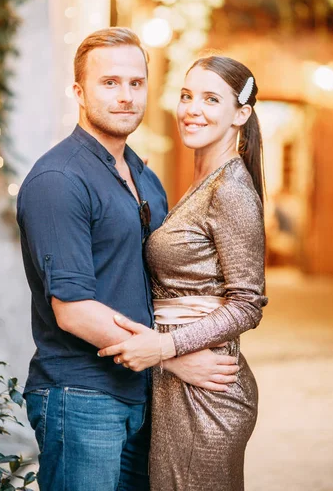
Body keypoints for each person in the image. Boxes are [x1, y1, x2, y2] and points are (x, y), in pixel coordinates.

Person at [16, 30, 241, 491]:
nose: (125, 97)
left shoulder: (144, 175)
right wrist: (172, 357)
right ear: (79, 92)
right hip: (80, 397)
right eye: (110, 83)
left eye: (136, 83)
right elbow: (74, 310)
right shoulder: (59, 180)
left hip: (142, 395)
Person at [99, 55, 268, 491]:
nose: (193, 109)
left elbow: (248, 304)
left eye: (212, 99)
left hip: (208, 397)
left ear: (241, 114)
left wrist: (167, 347)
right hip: (179, 379)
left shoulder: (231, 189)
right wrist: (170, 357)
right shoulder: (202, 181)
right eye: (187, 95)